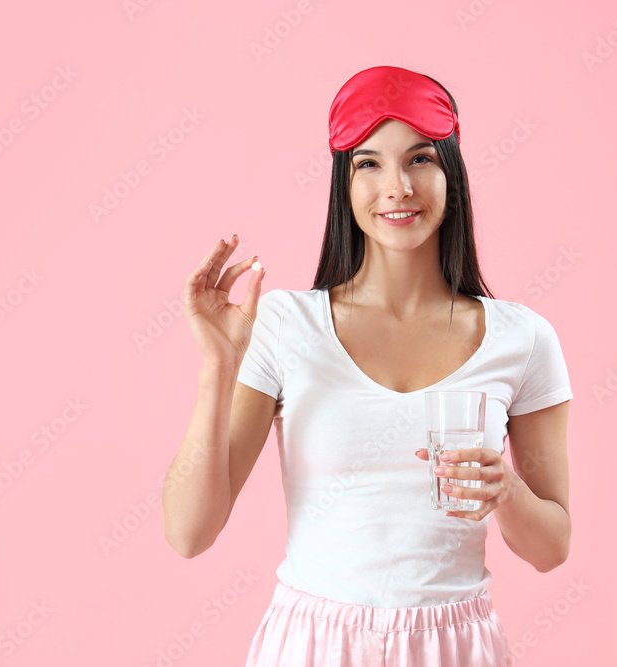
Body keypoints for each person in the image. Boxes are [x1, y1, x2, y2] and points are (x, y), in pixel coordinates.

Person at [162, 65, 573, 667]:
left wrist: (506, 489)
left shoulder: (524, 339)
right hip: (312, 645)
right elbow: (189, 534)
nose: (398, 187)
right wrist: (217, 366)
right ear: (344, 186)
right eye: (369, 163)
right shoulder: (284, 324)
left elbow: (552, 547)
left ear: (451, 174)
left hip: (454, 647)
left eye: (421, 159)